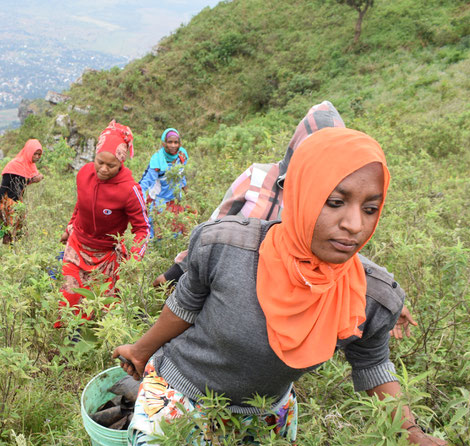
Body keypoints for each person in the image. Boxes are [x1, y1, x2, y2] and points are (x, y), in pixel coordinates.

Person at [107, 128, 470, 446]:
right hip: (181, 389)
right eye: (335, 202)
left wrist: (411, 430)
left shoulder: (369, 295)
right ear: (303, 192)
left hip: (264, 408)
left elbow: (372, 364)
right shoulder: (227, 248)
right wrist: (140, 351)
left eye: (370, 208)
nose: (353, 225)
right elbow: (183, 306)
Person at [153, 101, 418, 339]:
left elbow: (341, 255)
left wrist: (388, 295)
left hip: (283, 312)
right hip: (224, 295)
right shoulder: (258, 177)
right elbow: (213, 231)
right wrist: (174, 273)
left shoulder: (338, 198)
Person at [58, 121, 151, 321]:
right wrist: (70, 226)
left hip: (106, 257)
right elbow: (81, 203)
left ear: (121, 164)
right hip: (77, 247)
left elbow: (142, 229)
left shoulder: (130, 190)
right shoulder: (84, 174)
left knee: (102, 311)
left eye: (111, 165)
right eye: (100, 162)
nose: (104, 169)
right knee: (70, 301)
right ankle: (70, 343)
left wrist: (133, 258)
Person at [0, 139, 43, 245]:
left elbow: (20, 183)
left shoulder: (29, 165)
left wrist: (33, 180)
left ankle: (11, 253)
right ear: (29, 152)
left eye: (39, 154)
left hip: (17, 202)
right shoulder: (14, 165)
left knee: (16, 231)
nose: (37, 157)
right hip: (6, 201)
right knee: (2, 229)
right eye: (35, 154)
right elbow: (3, 187)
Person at [138, 128, 191, 237]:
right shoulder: (157, 160)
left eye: (176, 142)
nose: (173, 145)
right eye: (169, 142)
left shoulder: (182, 155)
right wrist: (139, 204)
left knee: (177, 231)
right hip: (160, 201)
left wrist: (188, 194)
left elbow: (182, 175)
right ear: (163, 143)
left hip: (176, 199)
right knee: (159, 233)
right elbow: (145, 184)